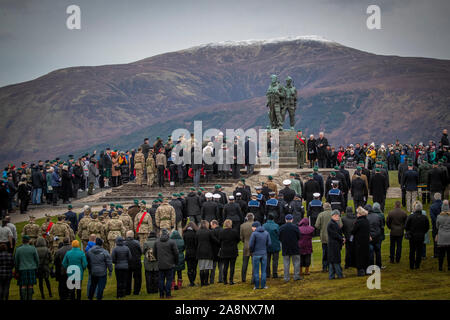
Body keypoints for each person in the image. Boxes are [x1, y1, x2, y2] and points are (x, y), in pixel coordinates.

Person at [154, 228, 179, 299]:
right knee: (169, 280)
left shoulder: (157, 242)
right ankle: (168, 294)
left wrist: (158, 259)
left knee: (161, 280)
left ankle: (161, 295)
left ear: (161, 234)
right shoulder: (172, 242)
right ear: (168, 234)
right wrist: (175, 261)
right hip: (169, 264)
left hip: (160, 264)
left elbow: (154, 253)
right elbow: (176, 253)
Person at [405, 201, 430, 269]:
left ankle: (412, 265)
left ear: (415, 208)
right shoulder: (424, 217)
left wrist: (409, 232)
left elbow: (406, 226)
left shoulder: (411, 216)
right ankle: (417, 265)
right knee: (419, 251)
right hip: (420, 236)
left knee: (412, 251)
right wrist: (423, 232)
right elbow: (427, 227)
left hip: (413, 236)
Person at [14, 235, 39, 300]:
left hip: (22, 269)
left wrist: (16, 270)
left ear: (22, 241)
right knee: (30, 285)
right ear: (29, 241)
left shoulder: (18, 249)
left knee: (23, 285)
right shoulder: (33, 248)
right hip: (31, 268)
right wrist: (37, 267)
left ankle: (24, 298)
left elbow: (16, 261)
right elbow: (37, 259)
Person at [249, 221, 271, 290]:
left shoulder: (254, 234)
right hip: (264, 254)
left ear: (255, 227)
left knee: (256, 270)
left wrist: (252, 251)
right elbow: (269, 243)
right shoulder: (266, 233)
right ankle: (263, 285)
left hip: (256, 254)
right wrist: (265, 249)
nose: (252, 228)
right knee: (263, 271)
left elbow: (251, 245)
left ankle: (256, 286)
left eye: (252, 227)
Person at [315, 203, 337, 272]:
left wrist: (322, 228)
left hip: (324, 236)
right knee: (333, 252)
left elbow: (317, 225)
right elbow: (340, 224)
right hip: (334, 237)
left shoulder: (321, 214)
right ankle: (334, 266)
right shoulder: (334, 214)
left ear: (324, 207)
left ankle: (325, 267)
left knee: (325, 252)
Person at [279, 214, 301, 281]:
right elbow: (299, 236)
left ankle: (286, 277)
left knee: (286, 263)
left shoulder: (282, 227)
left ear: (285, 220)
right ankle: (296, 276)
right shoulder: (295, 227)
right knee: (296, 262)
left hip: (285, 247)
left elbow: (279, 237)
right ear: (292, 219)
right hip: (294, 247)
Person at [196, 220, 218, 286]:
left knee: (201, 268)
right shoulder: (209, 232)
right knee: (207, 267)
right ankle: (206, 282)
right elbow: (215, 240)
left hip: (200, 251)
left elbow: (195, 242)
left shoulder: (197, 232)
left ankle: (202, 282)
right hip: (208, 251)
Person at [327, 210, 345, 279]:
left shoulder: (334, 223)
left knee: (332, 260)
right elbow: (335, 234)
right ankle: (339, 274)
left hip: (334, 244)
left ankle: (331, 276)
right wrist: (342, 238)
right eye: (337, 215)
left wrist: (342, 237)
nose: (338, 217)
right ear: (333, 216)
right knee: (336, 260)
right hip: (334, 244)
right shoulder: (331, 224)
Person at [124, 230, 142, 296]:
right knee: (137, 278)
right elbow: (140, 251)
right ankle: (136, 291)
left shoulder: (124, 243)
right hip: (136, 261)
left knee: (128, 278)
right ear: (133, 236)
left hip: (127, 262)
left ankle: (127, 291)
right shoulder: (137, 243)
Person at [263, 214, 280, 278]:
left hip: (266, 245)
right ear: (273, 219)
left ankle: (267, 273)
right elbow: (279, 234)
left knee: (267, 260)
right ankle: (275, 273)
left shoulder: (264, 226)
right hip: (275, 245)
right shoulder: (276, 226)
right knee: (275, 260)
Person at [182, 222, 198, 287]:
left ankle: (191, 281)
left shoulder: (184, 234)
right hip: (195, 252)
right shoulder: (195, 233)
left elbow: (184, 244)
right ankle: (193, 281)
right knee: (194, 268)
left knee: (189, 268)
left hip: (188, 252)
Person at [436, 200, 450, 271]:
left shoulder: (439, 217)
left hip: (441, 236)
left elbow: (437, 226)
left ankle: (440, 267)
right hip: (449, 237)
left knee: (441, 254)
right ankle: (449, 266)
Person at [240, 213, 254, 282]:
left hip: (246, 245)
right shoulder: (256, 225)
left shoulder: (242, 226)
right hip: (254, 246)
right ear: (253, 218)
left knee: (245, 263)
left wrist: (245, 242)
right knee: (254, 263)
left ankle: (243, 278)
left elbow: (241, 237)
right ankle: (253, 278)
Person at [430, 193, 443, 258]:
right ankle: (444, 253)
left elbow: (432, 217)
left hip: (435, 225)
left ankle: (436, 253)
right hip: (444, 224)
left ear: (435, 198)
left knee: (436, 239)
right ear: (440, 197)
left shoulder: (432, 206)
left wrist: (438, 222)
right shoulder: (445, 205)